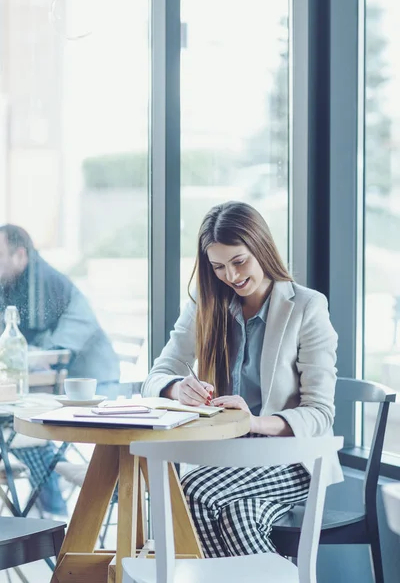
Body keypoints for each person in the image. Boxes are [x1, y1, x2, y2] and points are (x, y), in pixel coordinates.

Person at [142, 201, 342, 558]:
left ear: (261, 248)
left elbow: (320, 413)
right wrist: (176, 387)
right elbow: (156, 376)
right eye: (218, 267)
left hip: (290, 460)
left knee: (192, 490)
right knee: (241, 516)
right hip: (227, 458)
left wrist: (254, 422)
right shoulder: (204, 306)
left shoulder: (307, 307)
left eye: (239, 261)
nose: (231, 276)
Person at [0, 224, 120, 515]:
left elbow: (52, 355)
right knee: (16, 427)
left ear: (19, 255)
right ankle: (45, 509)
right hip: (48, 393)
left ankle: (52, 515)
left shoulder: (52, 288)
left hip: (91, 391)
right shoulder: (14, 288)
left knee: (19, 428)